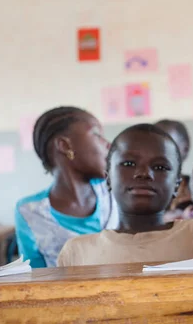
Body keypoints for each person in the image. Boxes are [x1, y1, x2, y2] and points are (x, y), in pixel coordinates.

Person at [57, 124, 193, 267]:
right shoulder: (76, 252)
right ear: (108, 179)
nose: (144, 174)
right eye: (129, 164)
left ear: (176, 184)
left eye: (160, 167)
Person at [15, 106, 118, 268]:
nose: (108, 144)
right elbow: (33, 277)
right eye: (97, 134)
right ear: (64, 145)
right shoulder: (30, 211)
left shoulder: (116, 192)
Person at [154, 119, 192, 211]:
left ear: (185, 150)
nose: (159, 152)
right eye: (153, 145)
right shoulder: (137, 190)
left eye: (168, 145)